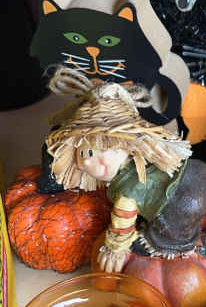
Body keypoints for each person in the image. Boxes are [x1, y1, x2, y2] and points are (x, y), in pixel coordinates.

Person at [45, 82, 197, 273]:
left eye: (106, 149)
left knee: (172, 221)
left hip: (183, 201)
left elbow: (122, 221)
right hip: (191, 178)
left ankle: (174, 245)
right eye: (85, 153)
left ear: (126, 147)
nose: (94, 161)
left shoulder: (127, 191)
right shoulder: (128, 173)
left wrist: (114, 249)